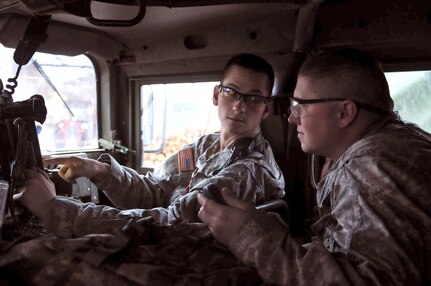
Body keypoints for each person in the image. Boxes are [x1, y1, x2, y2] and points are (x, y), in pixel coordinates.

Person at [198, 48, 431, 285]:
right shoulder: (398, 140)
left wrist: (250, 237)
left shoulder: (371, 168)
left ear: (344, 112)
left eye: (300, 105)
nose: (291, 118)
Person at [13, 53, 285, 238]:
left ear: (265, 110)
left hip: (194, 257)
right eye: (231, 92)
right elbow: (156, 189)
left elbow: (172, 223)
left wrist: (53, 209)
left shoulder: (250, 169)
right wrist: (99, 170)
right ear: (217, 94)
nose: (238, 105)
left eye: (253, 98)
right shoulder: (206, 146)